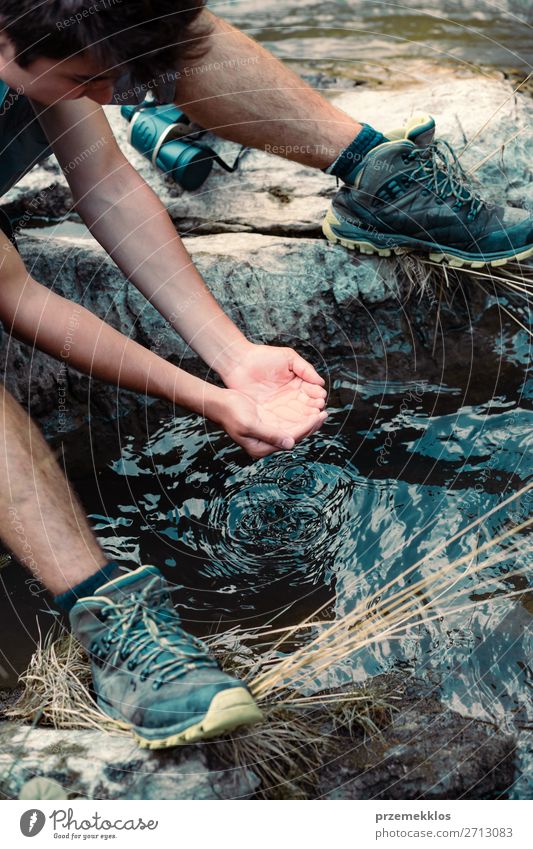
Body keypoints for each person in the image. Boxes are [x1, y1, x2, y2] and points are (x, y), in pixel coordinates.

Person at [0, 1, 530, 750]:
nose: (113, 99)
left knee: (157, 40)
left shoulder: (46, 32)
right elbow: (16, 294)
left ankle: (378, 174)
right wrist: (208, 398)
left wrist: (232, 354)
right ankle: (107, 611)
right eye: (90, 79)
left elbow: (107, 184)